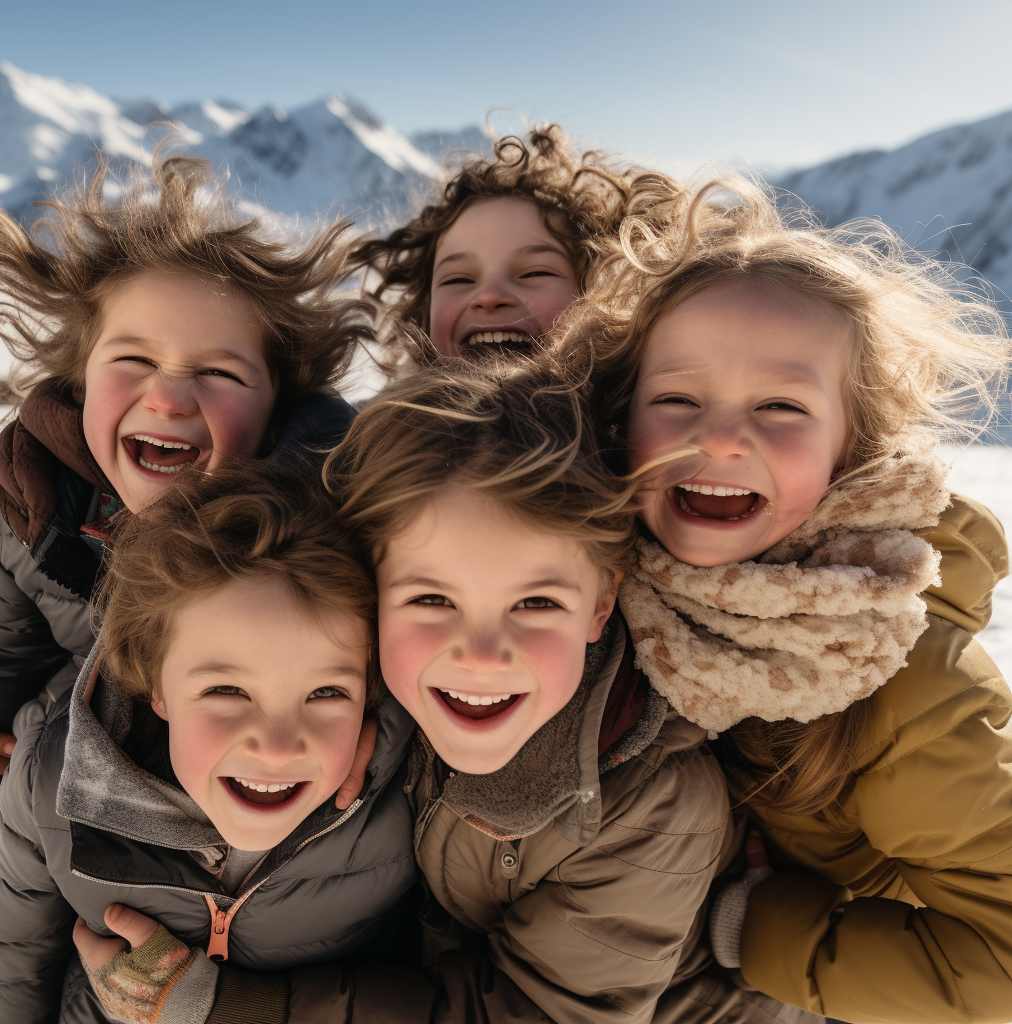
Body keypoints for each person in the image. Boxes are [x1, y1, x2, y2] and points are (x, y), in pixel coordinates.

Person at [75, 357, 821, 1024]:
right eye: (432, 602)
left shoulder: (647, 803)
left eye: (536, 605)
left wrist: (240, 1011)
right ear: (372, 596)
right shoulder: (379, 697)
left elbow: (535, 1011)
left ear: (601, 604)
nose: (481, 655)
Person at [571, 174, 1012, 1023]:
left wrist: (762, 929)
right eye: (677, 400)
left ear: (854, 449)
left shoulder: (902, 681)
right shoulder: (594, 586)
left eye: (780, 405)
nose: (720, 438)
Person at [0, 151, 374, 796]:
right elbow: (2, 666)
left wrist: (379, 741)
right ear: (80, 381)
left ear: (276, 406)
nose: (167, 399)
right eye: (133, 358)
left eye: (219, 373)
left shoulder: (332, 521)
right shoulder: (32, 503)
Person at [0, 460, 417, 1024]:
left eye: (325, 693)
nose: (277, 744)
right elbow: (9, 960)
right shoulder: (53, 780)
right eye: (227, 689)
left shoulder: (405, 793)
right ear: (155, 688)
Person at [349, 124, 661, 365]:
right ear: (423, 311)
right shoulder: (362, 439)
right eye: (458, 278)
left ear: (600, 296)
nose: (488, 296)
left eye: (534, 273)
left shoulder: (641, 438)